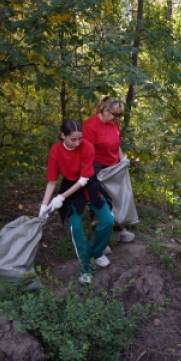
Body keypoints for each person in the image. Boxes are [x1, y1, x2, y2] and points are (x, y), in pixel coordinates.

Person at [39, 119, 114, 284]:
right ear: (62, 135)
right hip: (70, 187)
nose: (78, 142)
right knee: (77, 228)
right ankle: (86, 269)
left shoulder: (87, 147)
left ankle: (97, 251)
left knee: (108, 220)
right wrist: (44, 206)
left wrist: (60, 197)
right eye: (73, 139)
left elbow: (84, 180)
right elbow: (52, 181)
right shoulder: (55, 151)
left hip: (88, 184)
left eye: (80, 138)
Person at [83, 97, 135, 243]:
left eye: (119, 116)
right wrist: (90, 175)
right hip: (97, 166)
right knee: (101, 199)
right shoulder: (91, 126)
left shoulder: (114, 123)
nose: (116, 119)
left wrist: (123, 159)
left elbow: (116, 143)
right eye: (114, 115)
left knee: (117, 197)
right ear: (105, 110)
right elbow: (86, 152)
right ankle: (99, 235)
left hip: (114, 165)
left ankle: (118, 229)